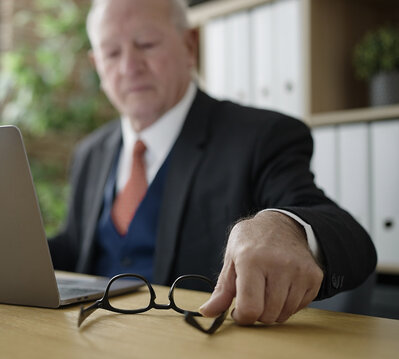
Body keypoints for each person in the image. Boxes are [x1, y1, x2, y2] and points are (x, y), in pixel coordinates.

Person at [47, 0, 376, 325]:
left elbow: (352, 240)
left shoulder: (261, 136)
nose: (129, 66)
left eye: (146, 44)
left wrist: (286, 226)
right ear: (96, 65)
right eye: (112, 53)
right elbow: (76, 247)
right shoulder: (89, 152)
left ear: (190, 45)